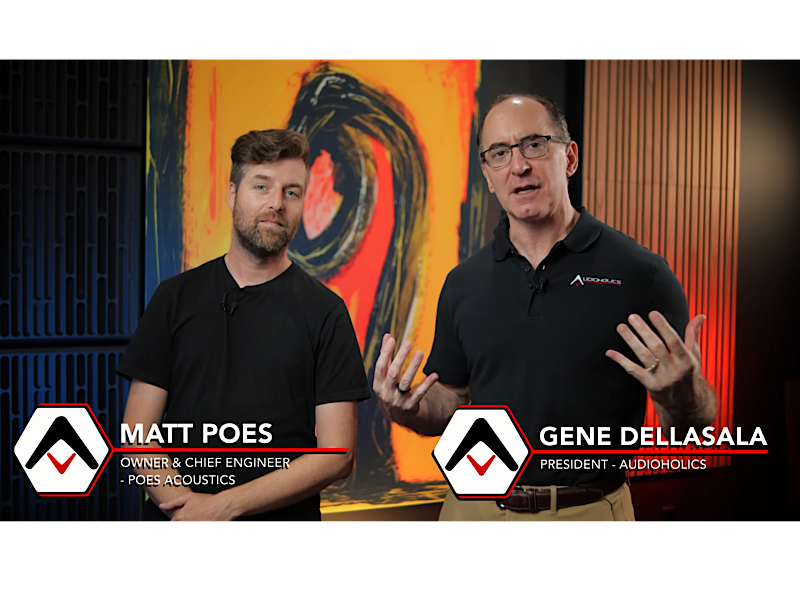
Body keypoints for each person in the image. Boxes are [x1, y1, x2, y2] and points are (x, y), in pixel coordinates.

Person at [373, 94, 718, 522]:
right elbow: (453, 401)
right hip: (474, 505)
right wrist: (407, 407)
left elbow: (692, 429)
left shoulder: (641, 274)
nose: (518, 166)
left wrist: (683, 396)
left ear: (569, 158)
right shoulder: (463, 282)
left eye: (534, 145)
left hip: (588, 509)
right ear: (488, 175)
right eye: (500, 153)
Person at [117, 129, 370, 522]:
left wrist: (222, 508)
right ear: (233, 194)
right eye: (261, 186)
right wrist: (189, 512)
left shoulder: (326, 312)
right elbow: (137, 434)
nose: (276, 203)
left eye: (291, 192)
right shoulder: (173, 298)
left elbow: (338, 455)